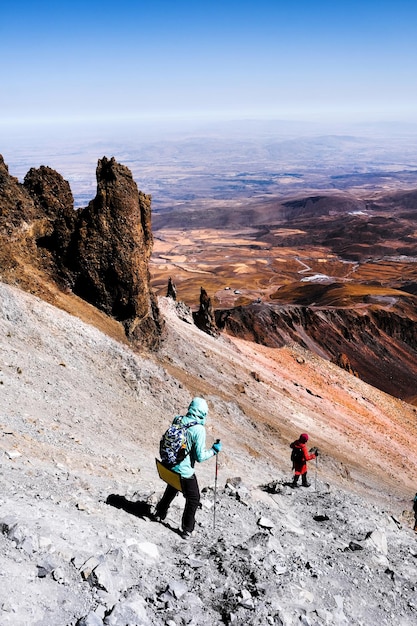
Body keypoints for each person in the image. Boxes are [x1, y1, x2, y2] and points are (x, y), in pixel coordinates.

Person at [155, 397, 222, 539]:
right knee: (194, 498)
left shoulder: (178, 419)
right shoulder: (199, 430)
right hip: (183, 472)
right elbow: (200, 457)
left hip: (168, 466)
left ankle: (159, 513)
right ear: (202, 412)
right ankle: (187, 529)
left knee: (173, 487)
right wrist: (214, 451)